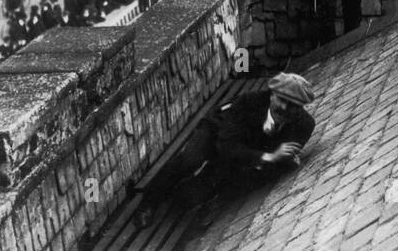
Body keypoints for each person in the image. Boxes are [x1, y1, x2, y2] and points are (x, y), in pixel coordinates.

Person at [133, 73, 317, 229]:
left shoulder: (304, 125)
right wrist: (269, 156)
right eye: (282, 100)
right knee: (190, 160)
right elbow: (227, 146)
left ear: (301, 108)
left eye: (292, 105)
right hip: (218, 131)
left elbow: (276, 165)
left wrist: (274, 161)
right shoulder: (248, 103)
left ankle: (195, 192)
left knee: (190, 197)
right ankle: (149, 202)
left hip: (242, 153)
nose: (284, 108)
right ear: (271, 95)